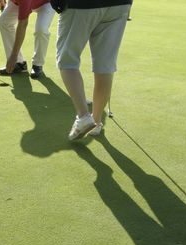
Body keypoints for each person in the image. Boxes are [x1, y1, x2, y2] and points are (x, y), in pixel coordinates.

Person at [55, 0, 132, 140]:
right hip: (120, 5)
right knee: (105, 64)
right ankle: (96, 122)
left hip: (81, 5)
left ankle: (83, 116)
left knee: (67, 61)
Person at [0, 0, 55, 79]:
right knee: (3, 21)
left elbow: (23, 24)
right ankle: (19, 63)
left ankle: (37, 64)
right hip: (21, 2)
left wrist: (14, 55)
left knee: (41, 30)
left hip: (46, 3)